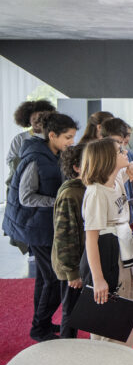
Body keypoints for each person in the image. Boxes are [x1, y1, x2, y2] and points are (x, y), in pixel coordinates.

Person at [3, 112, 78, 341]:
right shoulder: (36, 158)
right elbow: (26, 197)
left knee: (45, 279)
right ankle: (39, 328)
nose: (71, 142)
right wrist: (57, 202)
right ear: (52, 135)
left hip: (41, 225)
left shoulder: (54, 154)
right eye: (67, 137)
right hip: (33, 227)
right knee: (54, 278)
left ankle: (42, 323)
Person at [80, 138, 133, 347]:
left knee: (131, 304)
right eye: (120, 150)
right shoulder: (96, 193)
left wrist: (130, 164)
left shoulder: (118, 177)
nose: (126, 151)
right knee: (108, 316)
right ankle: (107, 364)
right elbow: (91, 240)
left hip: (124, 251)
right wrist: (98, 279)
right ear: (108, 159)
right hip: (107, 252)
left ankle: (124, 357)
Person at [5, 99, 57, 255]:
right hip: (24, 185)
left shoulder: (51, 138)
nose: (38, 122)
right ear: (28, 120)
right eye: (34, 120)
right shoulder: (20, 139)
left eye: (41, 118)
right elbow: (10, 160)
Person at [51, 143, 87, 338]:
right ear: (76, 167)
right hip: (71, 265)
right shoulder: (70, 194)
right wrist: (72, 272)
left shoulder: (86, 189)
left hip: (82, 261)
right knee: (71, 313)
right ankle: (67, 352)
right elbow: (64, 236)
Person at [99, 117, 133, 227]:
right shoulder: (99, 164)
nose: (122, 148)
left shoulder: (127, 156)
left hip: (127, 217)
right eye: (117, 142)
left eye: (122, 142)